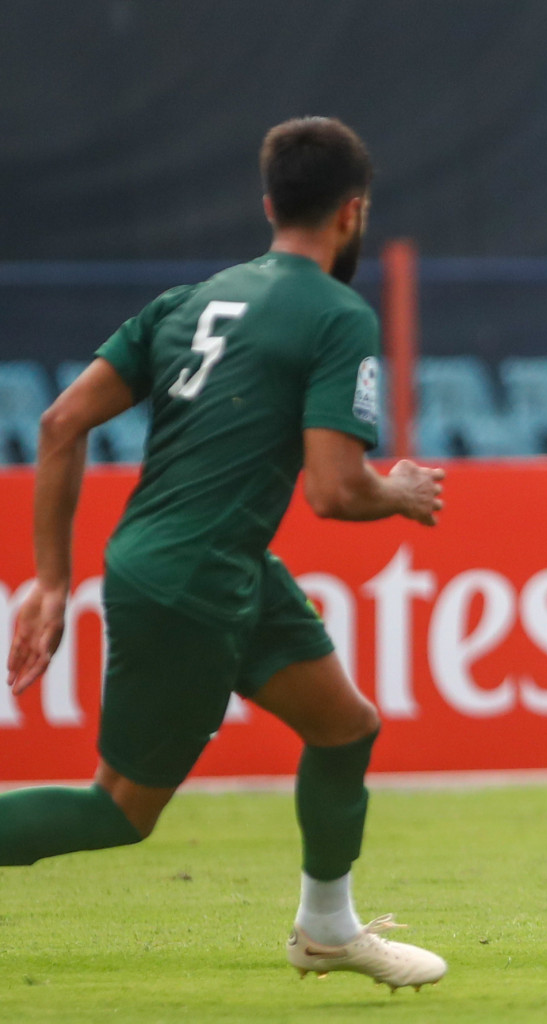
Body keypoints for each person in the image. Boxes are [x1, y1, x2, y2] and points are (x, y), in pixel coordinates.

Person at [2, 117, 449, 992]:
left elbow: (59, 425)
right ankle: (326, 928)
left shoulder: (191, 300)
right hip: (190, 584)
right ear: (352, 213)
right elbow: (334, 490)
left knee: (345, 725)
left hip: (217, 564)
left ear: (269, 203)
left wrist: (53, 581)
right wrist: (397, 490)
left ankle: (328, 930)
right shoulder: (334, 314)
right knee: (119, 811)